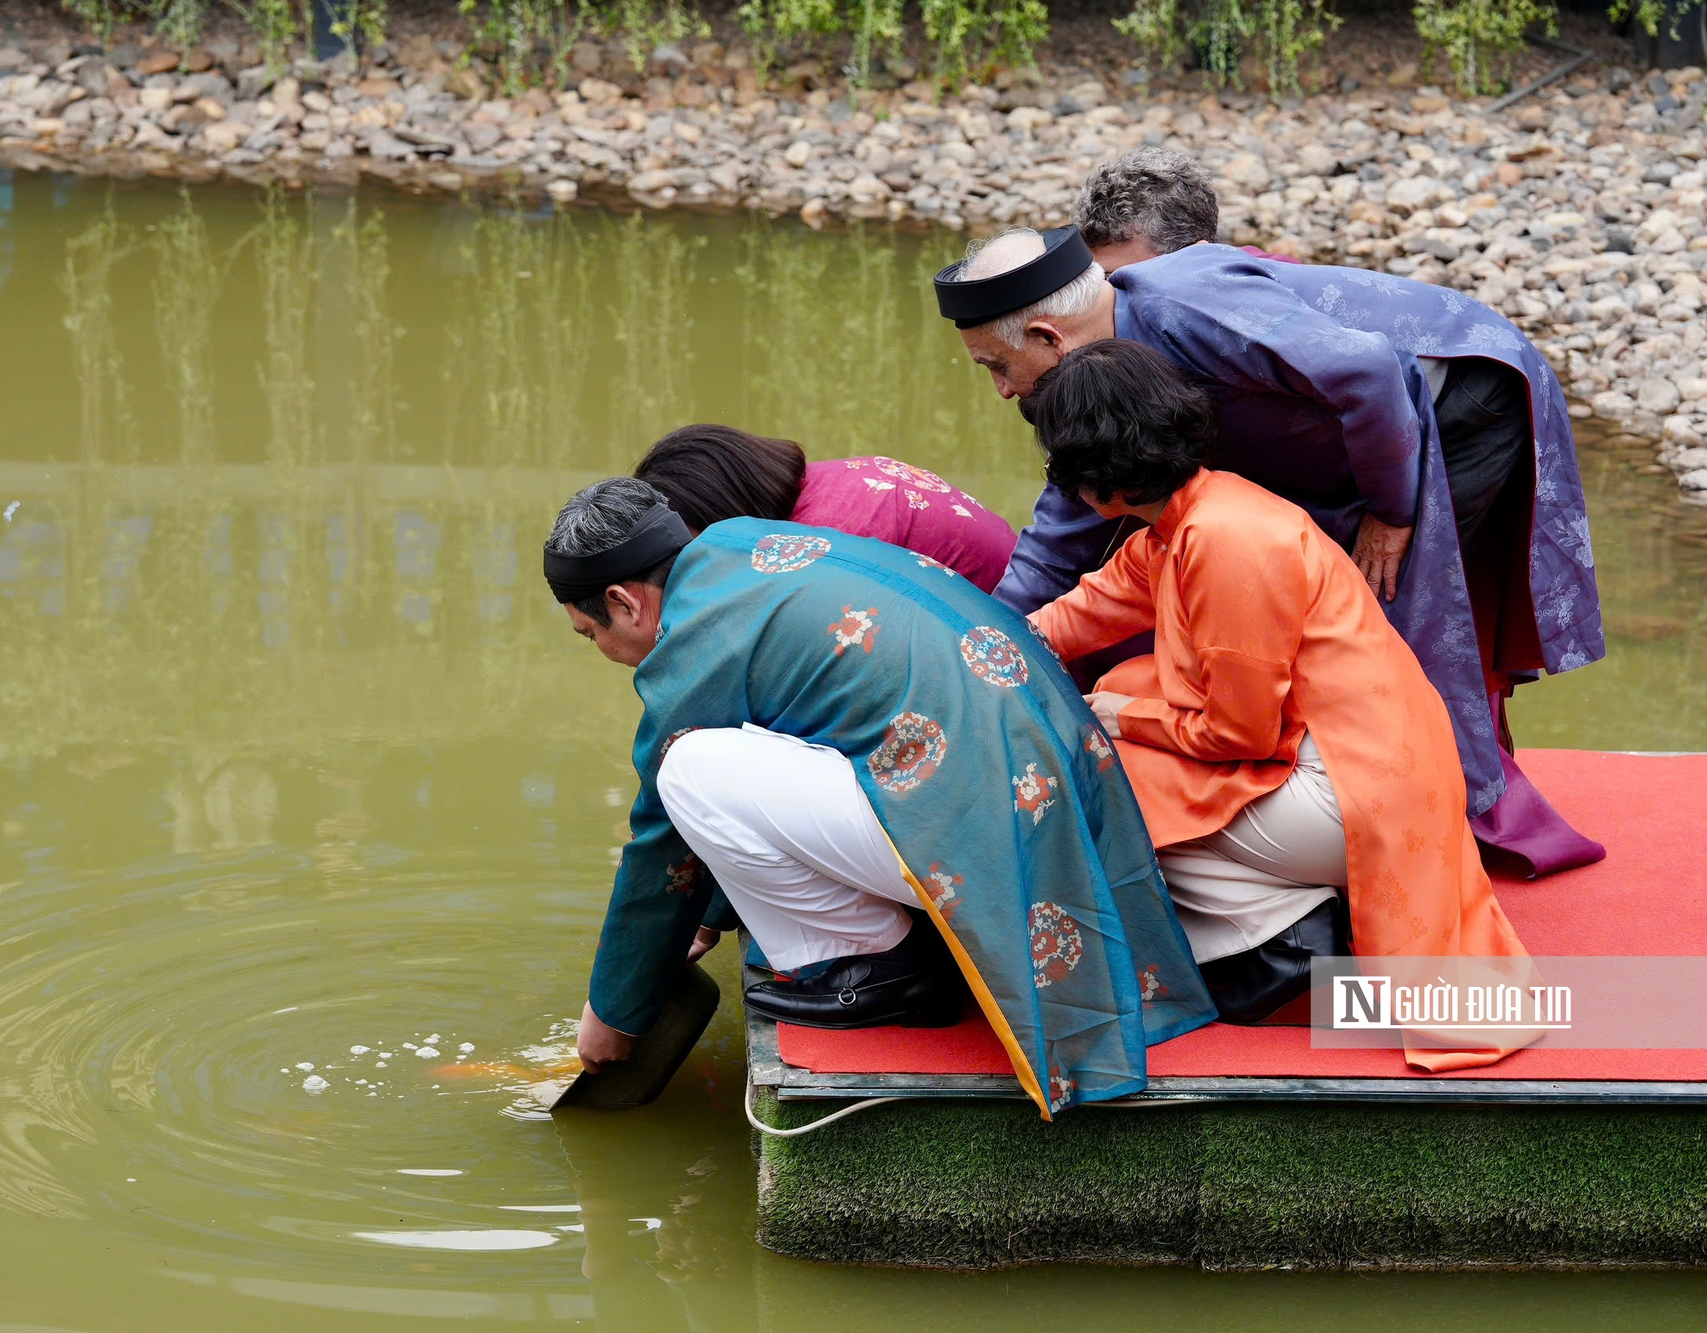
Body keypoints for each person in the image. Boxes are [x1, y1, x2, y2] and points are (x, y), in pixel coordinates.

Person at [932, 222, 1605, 876]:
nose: (1002, 389)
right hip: (1350, 430)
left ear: (1049, 337)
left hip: (1451, 396)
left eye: (997, 364)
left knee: (1399, 612)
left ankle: (1430, 822)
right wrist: (981, 645)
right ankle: (1356, 797)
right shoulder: (1109, 375)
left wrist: (1395, 509)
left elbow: (1371, 371)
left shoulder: (1184, 309)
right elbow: (1058, 537)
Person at [544, 476, 1212, 1113]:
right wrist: (708, 916)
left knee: (684, 767)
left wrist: (613, 1014)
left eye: (590, 632)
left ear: (624, 601)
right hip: (1053, 785)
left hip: (988, 825)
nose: (602, 648)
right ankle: (901, 946)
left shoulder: (692, 639)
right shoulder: (738, 544)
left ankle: (870, 971)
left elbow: (661, 844)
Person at [1026, 340, 1533, 1070]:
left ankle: (1275, 932)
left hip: (1357, 799)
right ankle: (1282, 914)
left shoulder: (1225, 543)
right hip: (1363, 763)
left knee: (1098, 766)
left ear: (1090, 477)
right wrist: (988, 649)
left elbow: (1237, 733)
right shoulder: (1198, 511)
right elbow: (1085, 610)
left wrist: (1110, 717)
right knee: (1130, 689)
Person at [632, 423, 1017, 593]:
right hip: (1034, 596)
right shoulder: (820, 482)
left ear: (718, 509)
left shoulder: (820, 544)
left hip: (1035, 652)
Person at [1074, 145, 1296, 270]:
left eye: (1126, 280)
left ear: (1198, 256)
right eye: (1100, 278)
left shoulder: (1283, 288)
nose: (1110, 297)